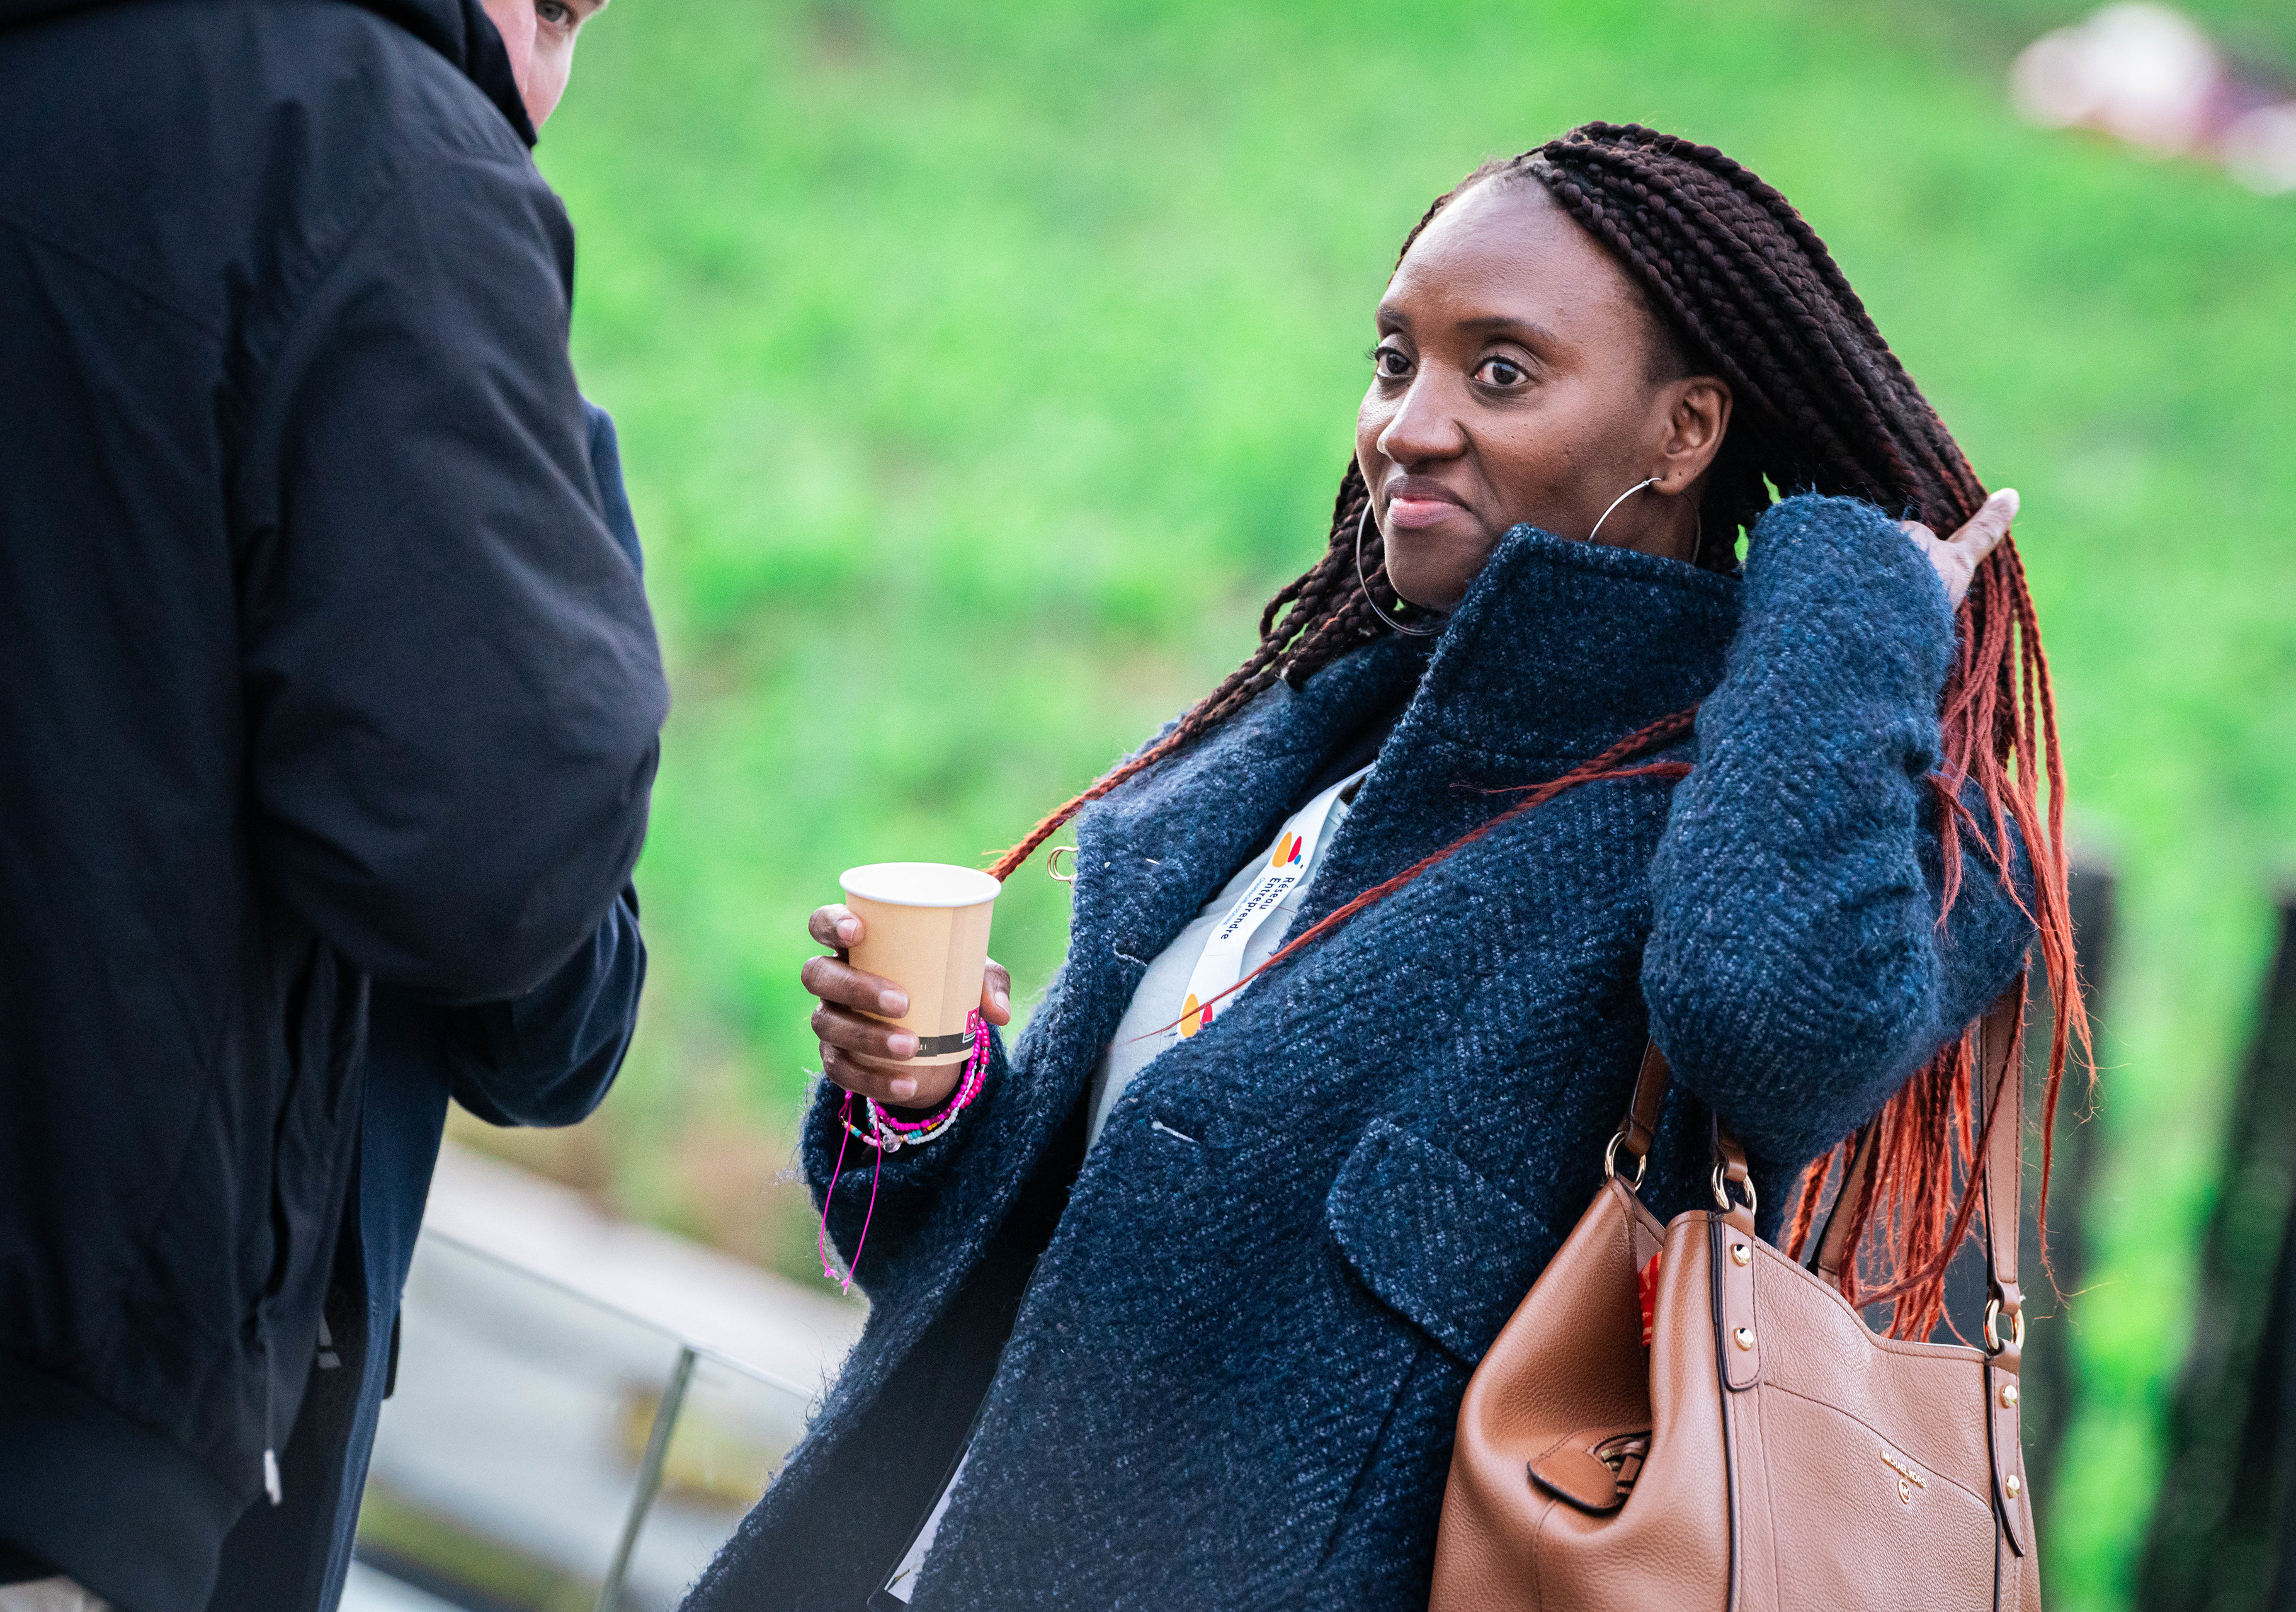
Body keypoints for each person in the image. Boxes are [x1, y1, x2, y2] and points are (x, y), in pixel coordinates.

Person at [690, 123, 2080, 1611]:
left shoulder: (1797, 824)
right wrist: (921, 1101)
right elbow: (985, 1281)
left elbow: (1773, 1023)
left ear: (1684, 432)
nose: (1409, 424)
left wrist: (1851, 603)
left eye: (1502, 371)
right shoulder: (1295, 752)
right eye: (1395, 359)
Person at [0, 1, 664, 1609]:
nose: (537, 88)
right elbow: (522, 934)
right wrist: (569, 530)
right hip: (81, 1441)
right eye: (553, 10)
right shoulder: (372, 159)